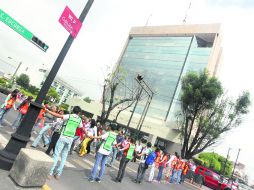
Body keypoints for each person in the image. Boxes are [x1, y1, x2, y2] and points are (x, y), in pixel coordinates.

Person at [47, 106, 83, 179]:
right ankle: (58, 174)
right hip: (70, 139)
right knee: (64, 157)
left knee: (56, 154)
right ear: (79, 112)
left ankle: (50, 173)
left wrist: (48, 111)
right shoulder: (79, 119)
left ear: (73, 110)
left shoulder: (69, 116)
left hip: (63, 136)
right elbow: (80, 127)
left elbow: (58, 116)